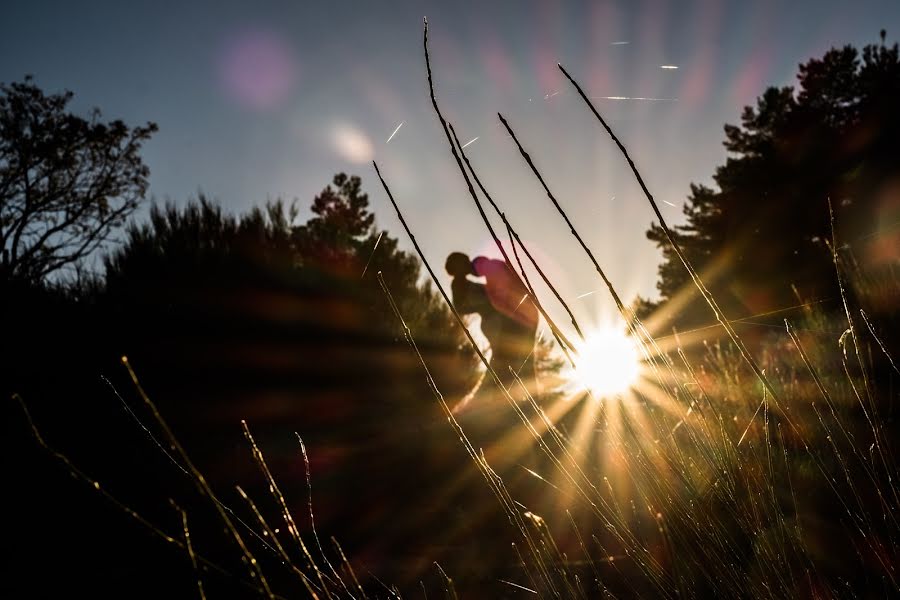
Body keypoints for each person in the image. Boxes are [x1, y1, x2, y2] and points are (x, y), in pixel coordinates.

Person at [445, 252, 539, 398]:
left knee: (514, 360)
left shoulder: (479, 276)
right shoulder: (461, 283)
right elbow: (460, 307)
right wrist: (486, 305)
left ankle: (521, 399)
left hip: (511, 320)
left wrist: (491, 304)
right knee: (512, 360)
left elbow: (494, 294)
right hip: (506, 322)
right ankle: (513, 399)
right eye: (461, 263)